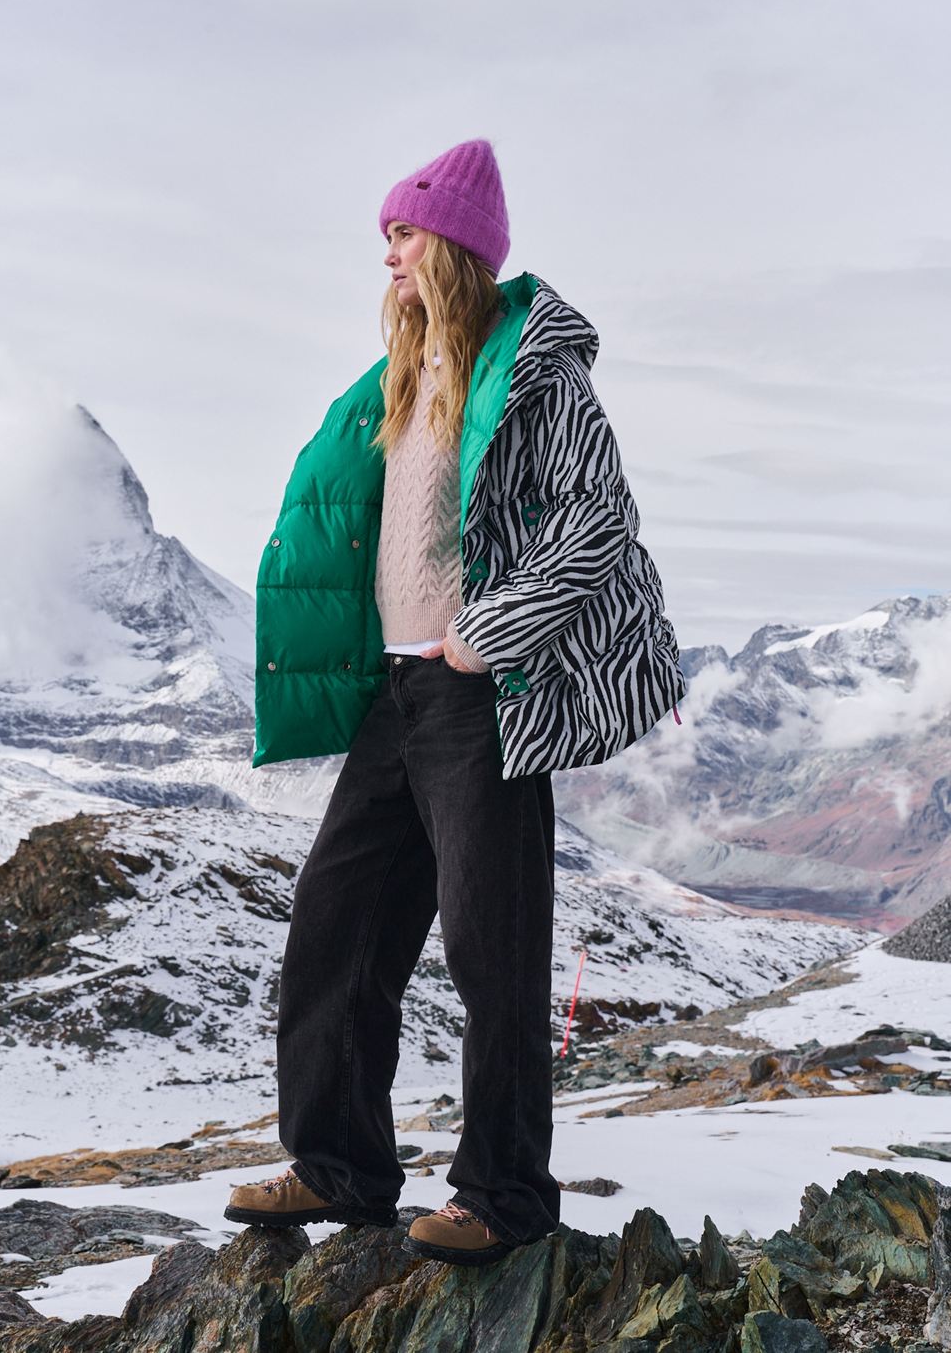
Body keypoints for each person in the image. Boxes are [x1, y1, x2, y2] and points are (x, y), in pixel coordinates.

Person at [225, 139, 686, 1266]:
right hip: (394, 696)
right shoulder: (402, 374)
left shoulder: (532, 372)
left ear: (452, 246)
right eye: (385, 235)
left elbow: (597, 521)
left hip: (481, 699)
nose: (386, 253)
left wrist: (487, 636)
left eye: (403, 233)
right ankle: (339, 1167)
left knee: (493, 953)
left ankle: (504, 1196)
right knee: (335, 929)